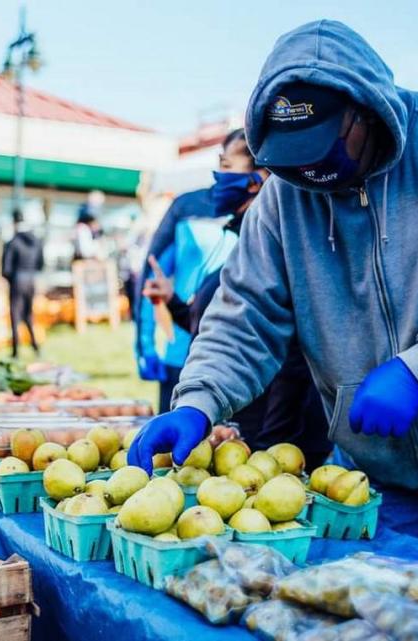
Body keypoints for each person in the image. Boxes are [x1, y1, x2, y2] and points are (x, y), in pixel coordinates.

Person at [129, 20, 418, 547]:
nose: (311, 171)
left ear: (366, 109)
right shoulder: (283, 200)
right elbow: (245, 316)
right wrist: (197, 401)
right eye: (294, 155)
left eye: (322, 146)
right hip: (371, 465)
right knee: (378, 610)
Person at [142, 129, 331, 468]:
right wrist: (173, 302)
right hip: (233, 425)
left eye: (227, 165)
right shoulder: (242, 241)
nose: (218, 178)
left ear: (259, 179)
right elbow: (225, 325)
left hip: (263, 437)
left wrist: (270, 444)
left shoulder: (282, 248)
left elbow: (291, 356)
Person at [133, 144, 224, 413]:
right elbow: (153, 276)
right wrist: (145, 344)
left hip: (245, 361)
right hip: (182, 350)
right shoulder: (188, 206)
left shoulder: (273, 212)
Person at [2, 209, 44, 357]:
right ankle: (35, 345)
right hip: (31, 280)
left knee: (15, 315)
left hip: (17, 281)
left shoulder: (12, 242)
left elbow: (6, 269)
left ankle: (15, 351)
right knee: (29, 314)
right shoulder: (36, 241)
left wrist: (11, 279)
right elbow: (40, 264)